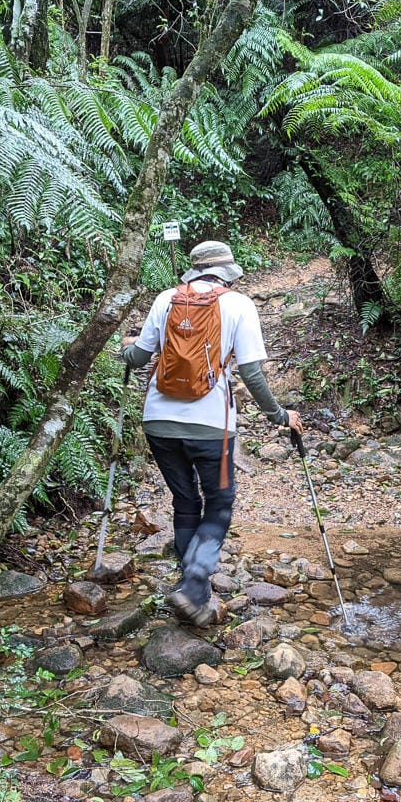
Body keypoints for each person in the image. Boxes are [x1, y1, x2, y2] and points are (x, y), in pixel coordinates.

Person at [120, 240, 302, 626]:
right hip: (211, 427)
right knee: (219, 503)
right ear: (227, 273)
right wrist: (278, 415)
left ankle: (190, 589)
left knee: (185, 500)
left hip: (158, 422)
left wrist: (126, 349)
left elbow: (138, 357)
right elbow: (251, 373)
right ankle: (194, 583)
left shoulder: (166, 299)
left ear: (195, 270)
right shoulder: (239, 305)